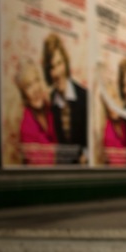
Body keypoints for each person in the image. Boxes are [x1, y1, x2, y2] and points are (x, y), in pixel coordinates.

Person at [42, 33, 89, 164]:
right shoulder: (50, 102)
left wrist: (86, 156)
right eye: (52, 67)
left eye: (59, 63)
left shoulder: (84, 96)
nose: (57, 72)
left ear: (66, 63)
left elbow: (92, 139)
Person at [14, 60, 57, 166]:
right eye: (28, 86)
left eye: (36, 80)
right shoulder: (26, 127)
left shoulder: (51, 109)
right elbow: (44, 165)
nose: (35, 89)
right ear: (24, 94)